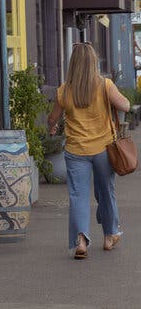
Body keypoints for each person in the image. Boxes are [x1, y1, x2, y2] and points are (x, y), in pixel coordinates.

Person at [47, 42, 130, 259]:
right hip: (104, 149)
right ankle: (110, 235)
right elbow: (126, 106)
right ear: (93, 62)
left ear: (72, 64)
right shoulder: (105, 85)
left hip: (76, 151)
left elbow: (52, 119)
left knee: (78, 196)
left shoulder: (64, 90)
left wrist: (53, 125)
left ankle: (81, 241)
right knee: (106, 191)